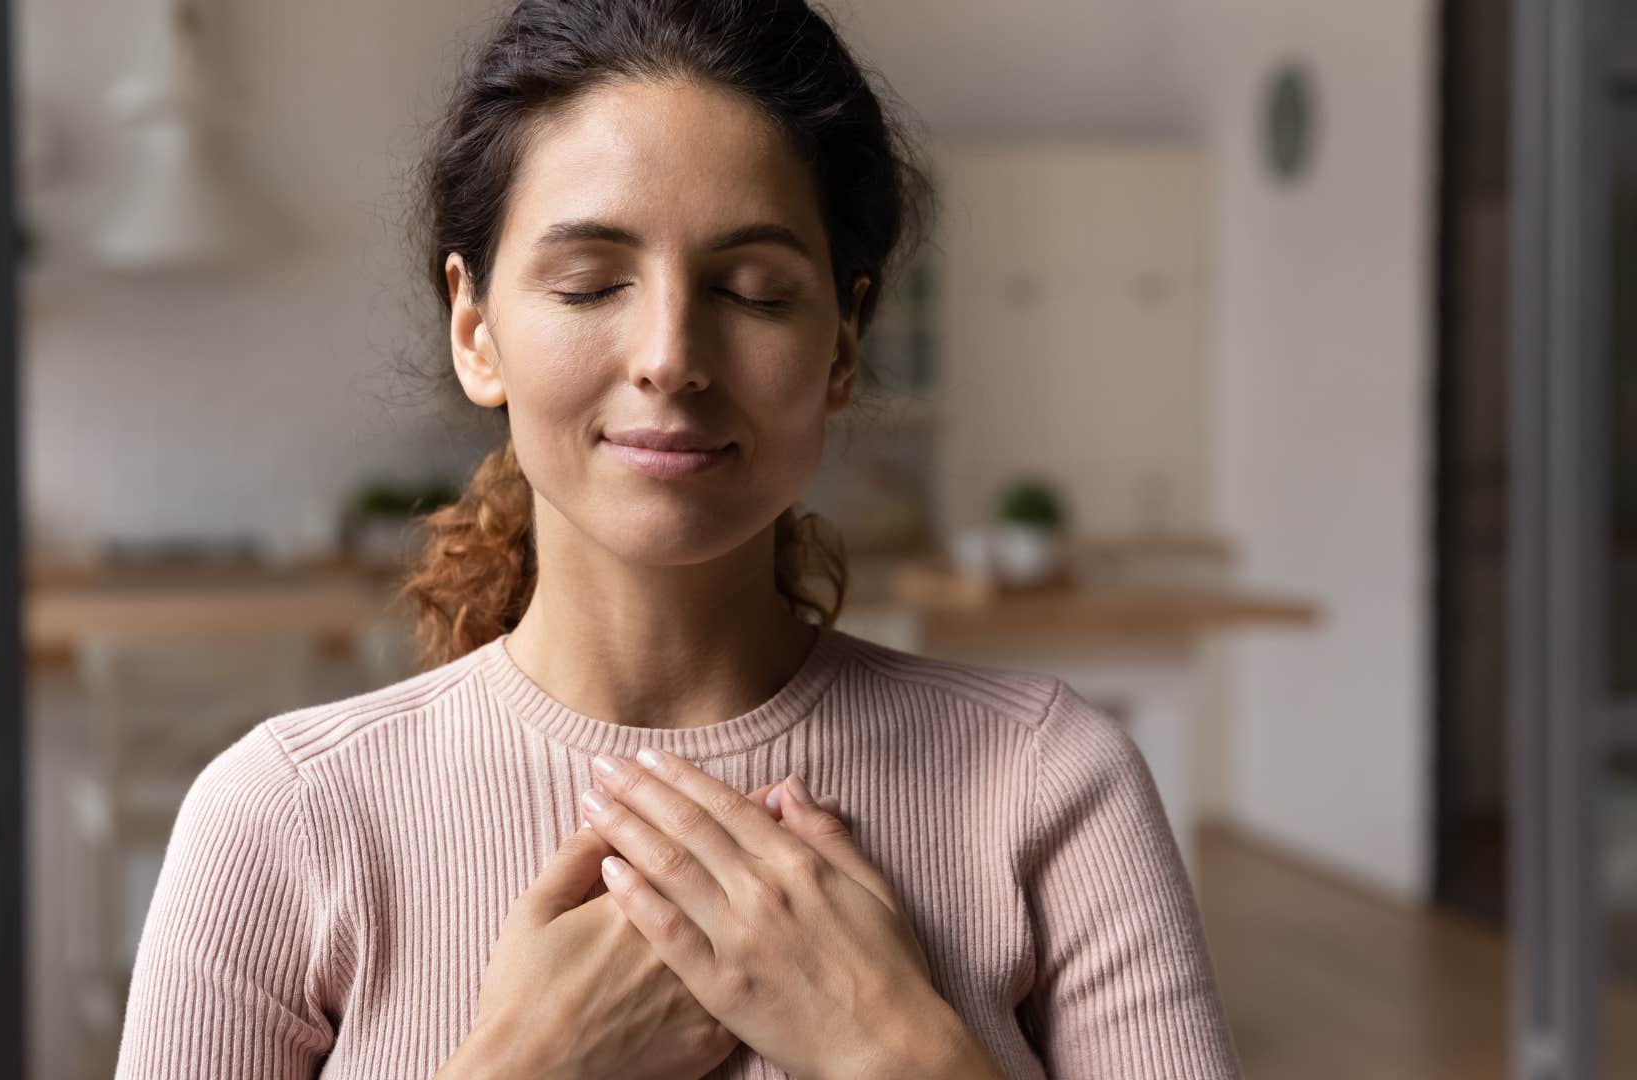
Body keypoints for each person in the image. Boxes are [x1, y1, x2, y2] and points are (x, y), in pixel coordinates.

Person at [114, 1, 1244, 1077]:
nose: (669, 353)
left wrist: (892, 1051)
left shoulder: (1052, 788)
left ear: (842, 347)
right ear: (476, 330)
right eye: (592, 282)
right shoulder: (284, 820)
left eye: (754, 292)